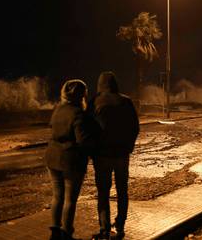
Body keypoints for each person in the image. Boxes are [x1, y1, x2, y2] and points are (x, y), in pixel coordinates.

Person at [89, 71, 139, 240]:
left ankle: (104, 229)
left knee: (103, 192)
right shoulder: (126, 101)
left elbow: (89, 129)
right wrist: (129, 147)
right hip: (122, 155)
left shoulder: (95, 102)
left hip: (102, 156)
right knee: (122, 190)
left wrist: (93, 151)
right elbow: (135, 127)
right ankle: (120, 226)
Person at [45, 79, 95, 240]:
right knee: (70, 199)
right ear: (82, 95)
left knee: (57, 196)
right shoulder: (78, 113)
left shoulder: (58, 110)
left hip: (52, 158)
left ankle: (54, 232)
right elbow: (83, 141)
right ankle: (67, 233)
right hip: (70, 161)